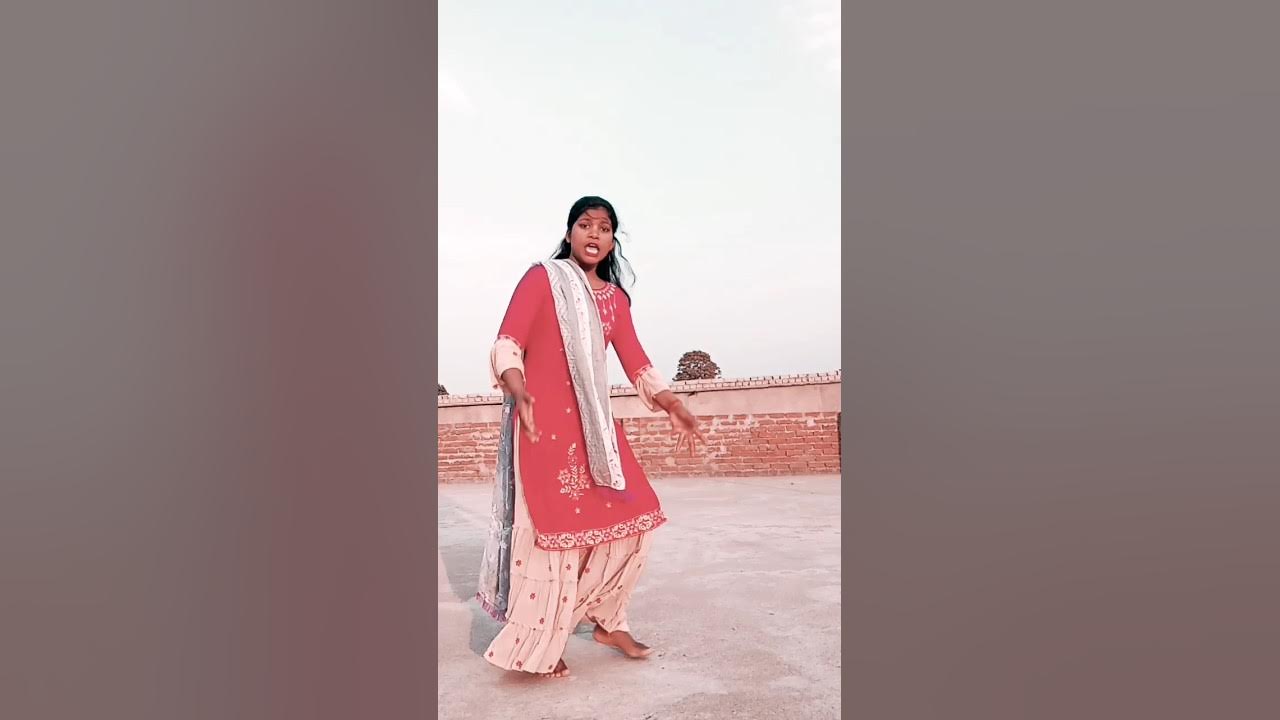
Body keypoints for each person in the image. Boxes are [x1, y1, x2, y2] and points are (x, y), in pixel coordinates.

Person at [475, 196, 704, 679]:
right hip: (544, 426)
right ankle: (540, 643)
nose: (594, 233)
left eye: (604, 227)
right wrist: (518, 388)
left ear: (612, 241)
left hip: (596, 430)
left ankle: (607, 621)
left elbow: (636, 361)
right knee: (554, 538)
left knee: (637, 521)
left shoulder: (615, 299)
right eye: (585, 224)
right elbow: (508, 341)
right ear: (569, 233)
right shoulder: (543, 279)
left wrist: (673, 405)